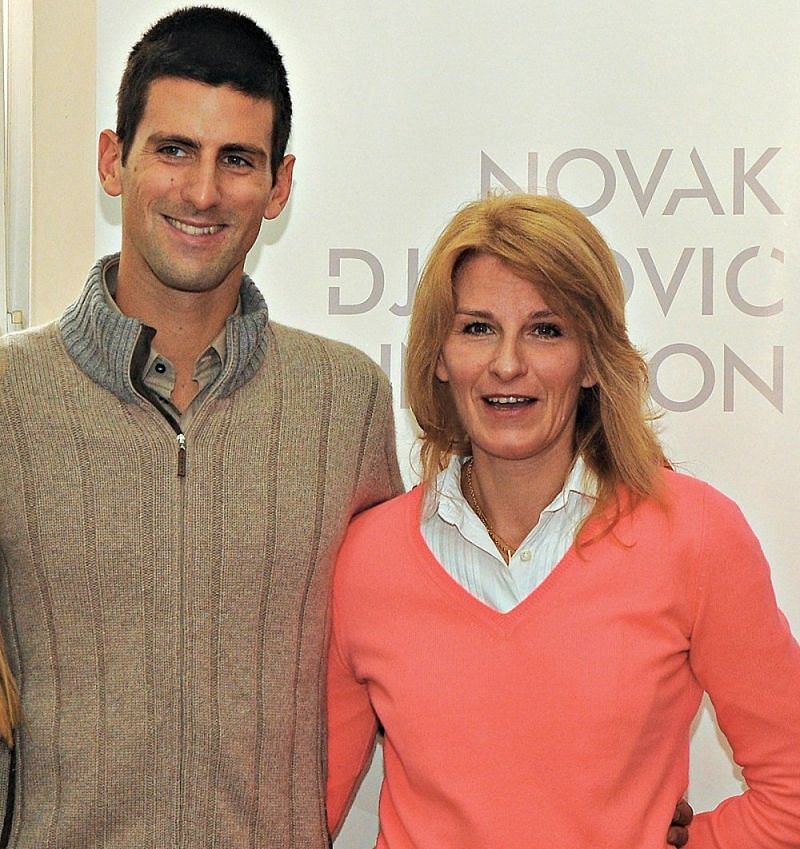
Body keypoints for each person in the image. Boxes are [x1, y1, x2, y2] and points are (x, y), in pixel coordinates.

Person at [0, 7, 403, 847]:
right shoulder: (9, 396)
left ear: (279, 185)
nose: (203, 192)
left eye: (238, 161)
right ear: (115, 160)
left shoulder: (347, 401)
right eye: (174, 149)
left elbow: (411, 656)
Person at [326, 193, 800, 847]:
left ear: (592, 359)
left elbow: (792, 791)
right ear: (438, 355)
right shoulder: (368, 556)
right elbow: (301, 809)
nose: (507, 363)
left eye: (546, 329)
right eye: (477, 327)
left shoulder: (695, 535)